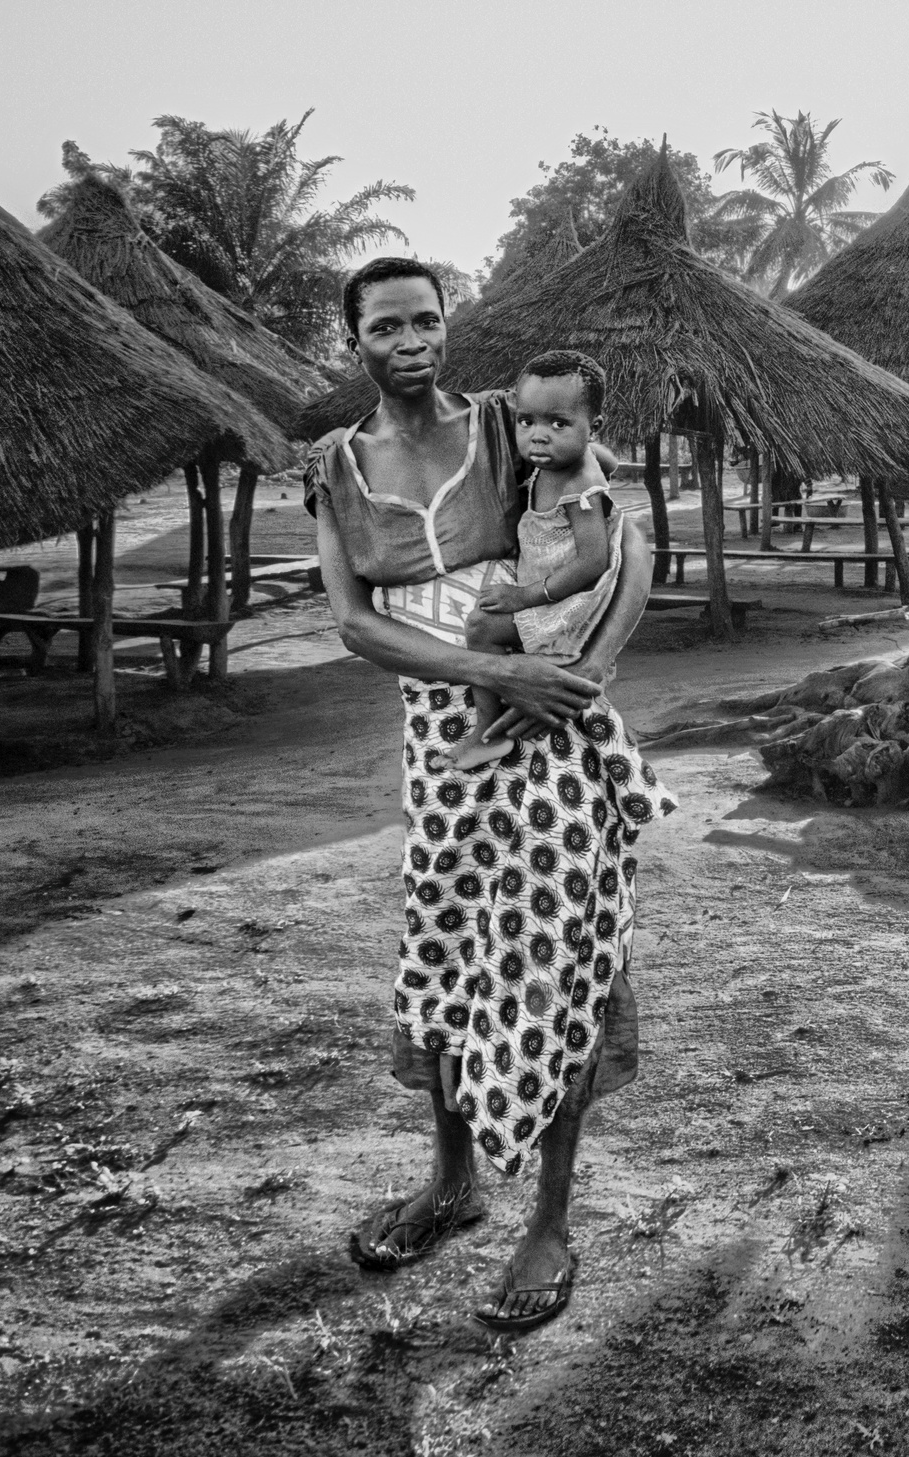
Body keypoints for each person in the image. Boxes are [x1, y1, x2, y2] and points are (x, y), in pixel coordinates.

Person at [305, 256, 676, 1336]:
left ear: (446, 327)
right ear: (354, 339)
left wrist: (584, 667)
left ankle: (549, 1221)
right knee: (449, 942)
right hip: (441, 730)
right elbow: (356, 624)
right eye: (386, 326)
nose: (410, 340)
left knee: (552, 950)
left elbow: (627, 539)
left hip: (546, 716)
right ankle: (453, 1182)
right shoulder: (336, 466)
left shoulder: (512, 429)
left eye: (426, 320)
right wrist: (487, 672)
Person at [452, 350, 617, 772]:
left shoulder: (580, 484)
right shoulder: (564, 461)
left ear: (594, 427)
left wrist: (525, 596)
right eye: (526, 422)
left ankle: (489, 733)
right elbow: (609, 460)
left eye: (558, 424)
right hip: (553, 586)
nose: (538, 437)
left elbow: (592, 562)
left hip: (570, 599)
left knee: (481, 627)